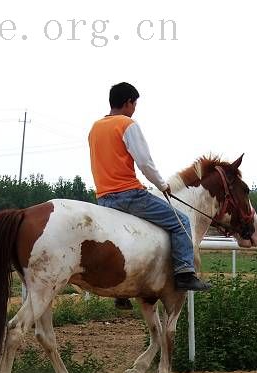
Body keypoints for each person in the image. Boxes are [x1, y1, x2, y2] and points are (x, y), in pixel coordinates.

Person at [88, 82, 210, 309]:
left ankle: (120, 291)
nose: (135, 109)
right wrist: (162, 185)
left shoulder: (95, 128)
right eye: (135, 104)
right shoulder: (127, 124)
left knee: (127, 239)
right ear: (128, 102)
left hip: (103, 198)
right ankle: (184, 273)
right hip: (129, 195)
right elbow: (145, 162)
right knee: (181, 222)